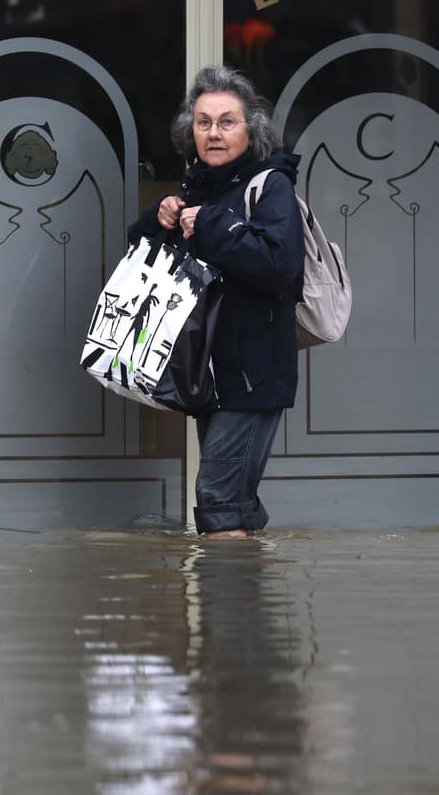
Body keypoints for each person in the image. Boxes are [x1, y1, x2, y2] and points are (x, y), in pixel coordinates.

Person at [127, 66, 304, 539]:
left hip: (253, 374)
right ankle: (248, 605)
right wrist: (157, 221)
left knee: (219, 501)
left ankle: (225, 607)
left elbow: (280, 264)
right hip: (211, 373)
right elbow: (146, 262)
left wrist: (208, 225)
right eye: (203, 123)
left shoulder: (271, 185)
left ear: (252, 130)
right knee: (234, 504)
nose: (214, 133)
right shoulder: (199, 186)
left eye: (228, 122)